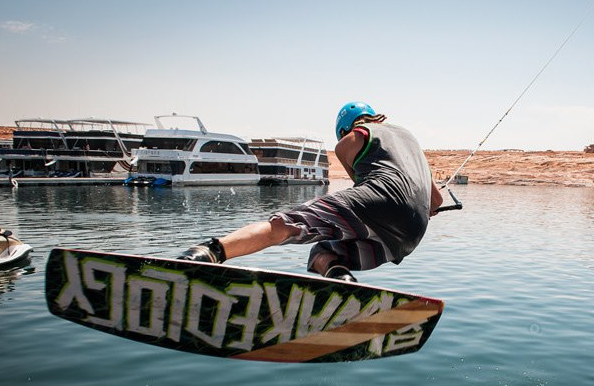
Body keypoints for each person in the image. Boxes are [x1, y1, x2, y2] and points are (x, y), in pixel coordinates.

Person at [178, 101, 443, 282]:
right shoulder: (411, 140)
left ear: (345, 128)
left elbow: (360, 183)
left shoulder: (351, 139)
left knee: (284, 227)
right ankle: (342, 282)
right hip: (411, 233)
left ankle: (207, 252)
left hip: (375, 201)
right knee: (323, 252)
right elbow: (437, 200)